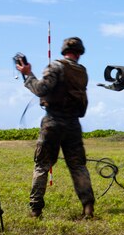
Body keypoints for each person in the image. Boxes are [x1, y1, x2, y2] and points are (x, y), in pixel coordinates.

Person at [16, 37, 96, 218]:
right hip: (73, 124)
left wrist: (28, 74)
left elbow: (40, 90)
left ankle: (36, 210)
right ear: (80, 52)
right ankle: (88, 208)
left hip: (53, 121)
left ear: (63, 50)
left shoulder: (55, 66)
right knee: (78, 166)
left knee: (42, 165)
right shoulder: (82, 72)